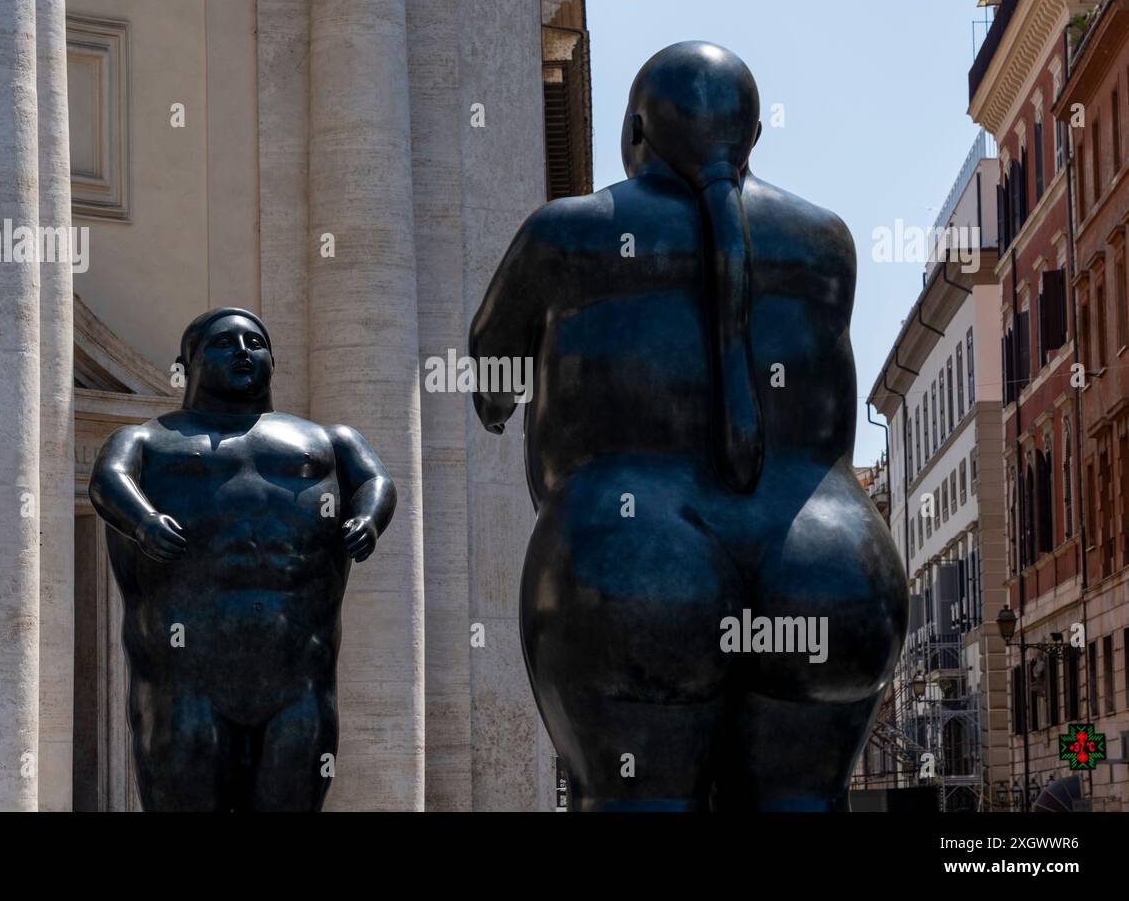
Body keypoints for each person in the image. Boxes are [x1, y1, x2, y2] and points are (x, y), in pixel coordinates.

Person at [469, 41, 906, 811]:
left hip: (629, 556)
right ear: (755, 136)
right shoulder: (826, 241)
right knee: (799, 802)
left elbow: (488, 383)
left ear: (637, 130)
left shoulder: (565, 231)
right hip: (829, 559)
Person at [89, 307, 395, 810]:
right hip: (183, 683)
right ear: (186, 363)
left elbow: (376, 482)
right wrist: (142, 522)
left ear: (273, 359)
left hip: (299, 683)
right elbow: (107, 481)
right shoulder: (147, 441)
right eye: (224, 343)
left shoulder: (327, 441)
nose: (242, 351)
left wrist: (368, 519)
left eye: (254, 342)